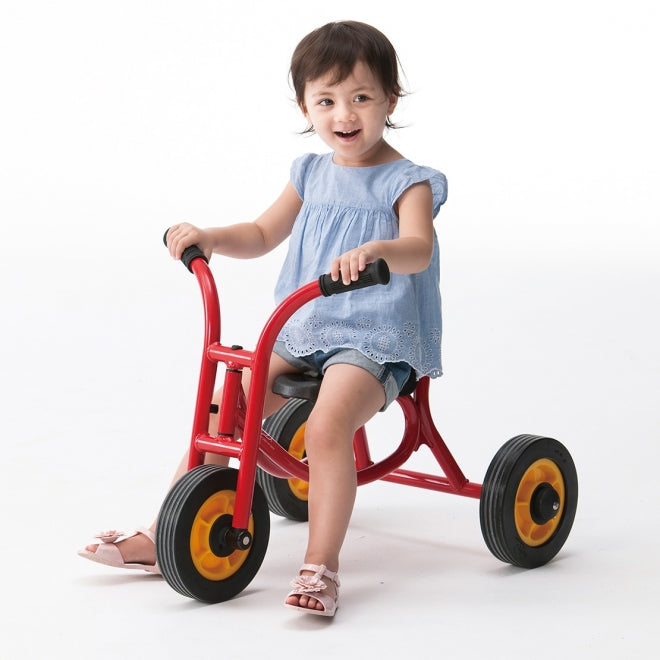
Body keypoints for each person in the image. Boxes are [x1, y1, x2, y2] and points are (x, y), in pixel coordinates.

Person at [79, 20, 447, 617]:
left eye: (361, 97)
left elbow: (418, 249)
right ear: (305, 106)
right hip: (305, 327)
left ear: (390, 100)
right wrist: (212, 238)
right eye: (326, 100)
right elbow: (260, 232)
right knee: (225, 407)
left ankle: (321, 564)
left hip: (375, 339)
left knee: (326, 429)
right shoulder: (310, 173)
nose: (344, 114)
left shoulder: (409, 183)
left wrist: (379, 251)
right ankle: (164, 531)